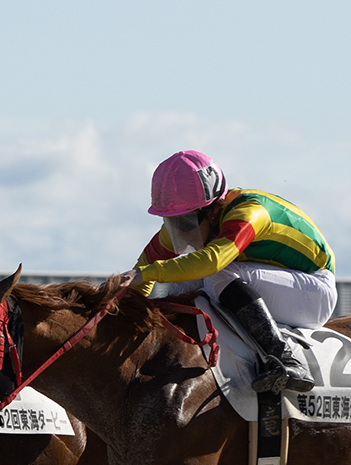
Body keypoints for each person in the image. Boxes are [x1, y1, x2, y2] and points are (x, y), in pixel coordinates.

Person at [123, 150, 337, 393]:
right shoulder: (202, 217)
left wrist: (147, 273)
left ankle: (284, 359)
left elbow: (211, 262)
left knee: (215, 274)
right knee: (179, 287)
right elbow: (143, 268)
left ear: (212, 211)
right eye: (171, 222)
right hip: (279, 284)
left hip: (314, 293)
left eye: (185, 222)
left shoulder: (250, 213)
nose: (180, 233)